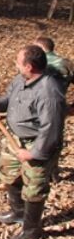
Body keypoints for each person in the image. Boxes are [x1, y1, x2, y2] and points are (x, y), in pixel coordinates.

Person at [0, 45, 66, 239]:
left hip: (38, 143)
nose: (15, 65)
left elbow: (52, 128)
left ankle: (31, 229)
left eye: (18, 62)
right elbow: (10, 98)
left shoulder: (49, 92)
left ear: (29, 67)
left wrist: (33, 153)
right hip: (14, 140)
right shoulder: (21, 79)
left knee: (34, 188)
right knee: (9, 174)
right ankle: (17, 212)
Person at [33, 36, 72, 181]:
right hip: (58, 107)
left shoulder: (36, 63)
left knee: (36, 137)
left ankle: (39, 171)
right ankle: (52, 171)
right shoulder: (67, 63)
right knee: (55, 139)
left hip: (36, 107)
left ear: (41, 48)